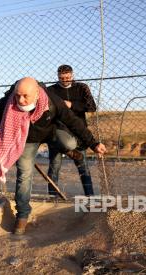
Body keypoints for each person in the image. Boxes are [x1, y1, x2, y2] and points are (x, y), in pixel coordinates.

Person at [0, 77, 106, 235]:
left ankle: (64, 148)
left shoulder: (52, 101)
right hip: (28, 140)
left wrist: (93, 143)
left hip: (51, 132)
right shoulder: (6, 103)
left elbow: (72, 121)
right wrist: (13, 140)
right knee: (24, 173)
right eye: (18, 95)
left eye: (26, 96)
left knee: (71, 144)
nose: (20, 100)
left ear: (38, 94)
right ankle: (22, 215)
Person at [47, 65, 97, 196]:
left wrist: (71, 105)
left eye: (68, 78)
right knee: (54, 167)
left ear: (72, 75)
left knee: (83, 167)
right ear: (58, 77)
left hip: (79, 132)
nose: (65, 80)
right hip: (58, 133)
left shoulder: (81, 87)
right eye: (62, 78)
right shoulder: (51, 90)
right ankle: (53, 197)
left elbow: (91, 106)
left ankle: (90, 197)